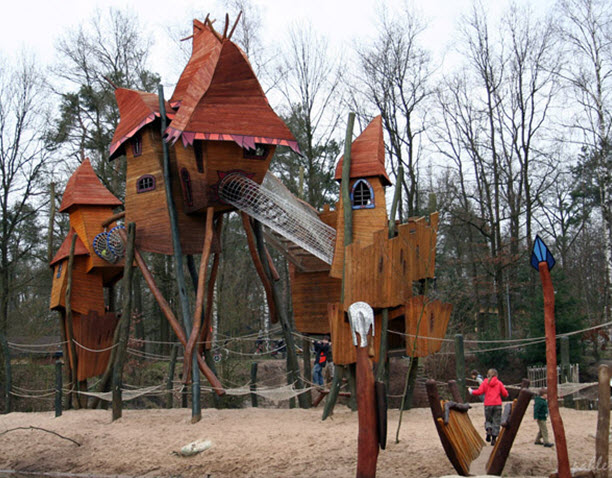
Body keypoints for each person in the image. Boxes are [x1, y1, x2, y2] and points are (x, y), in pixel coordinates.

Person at [468, 368, 509, 446]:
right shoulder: (499, 383)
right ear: (496, 375)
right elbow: (505, 394)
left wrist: (471, 391)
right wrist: (507, 394)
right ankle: (494, 438)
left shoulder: (485, 382)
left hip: (488, 404)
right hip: (497, 404)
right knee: (496, 421)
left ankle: (489, 429)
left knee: (488, 420)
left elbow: (479, 392)